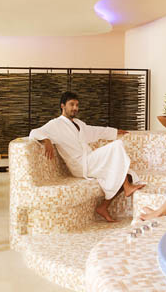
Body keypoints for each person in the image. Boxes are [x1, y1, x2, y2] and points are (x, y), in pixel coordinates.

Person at [29, 91, 144, 222]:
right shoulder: (55, 124)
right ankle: (127, 187)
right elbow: (34, 132)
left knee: (126, 173)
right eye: (71, 104)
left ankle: (103, 207)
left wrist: (115, 131)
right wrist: (46, 140)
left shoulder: (79, 124)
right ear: (62, 106)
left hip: (89, 160)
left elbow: (97, 131)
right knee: (117, 145)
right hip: (80, 164)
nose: (75, 108)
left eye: (77, 105)